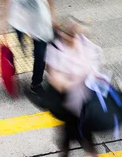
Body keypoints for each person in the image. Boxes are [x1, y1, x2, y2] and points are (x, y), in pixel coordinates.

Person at [0, 0, 55, 99]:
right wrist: (2, 23)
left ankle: (36, 83)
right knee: (20, 42)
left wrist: (52, 17)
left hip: (40, 21)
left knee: (40, 53)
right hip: (19, 21)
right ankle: (21, 52)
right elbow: (5, 0)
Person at [45, 21, 102, 157]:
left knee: (84, 136)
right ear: (61, 34)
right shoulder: (55, 49)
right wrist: (69, 83)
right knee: (68, 136)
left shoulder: (86, 46)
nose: (73, 37)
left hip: (83, 102)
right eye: (70, 34)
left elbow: (95, 68)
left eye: (75, 35)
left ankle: (84, 151)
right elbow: (54, 78)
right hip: (66, 104)